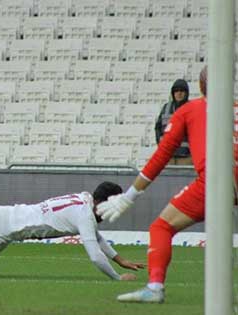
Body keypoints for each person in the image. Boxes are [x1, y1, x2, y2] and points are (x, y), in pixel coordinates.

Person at [96, 66, 235, 303]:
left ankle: (155, 287)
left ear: (200, 86)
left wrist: (129, 196)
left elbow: (162, 155)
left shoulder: (190, 110)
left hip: (217, 178)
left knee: (161, 227)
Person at [0, 183, 145, 280]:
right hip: (2, 228)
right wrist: (117, 277)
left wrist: (120, 259)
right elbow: (94, 254)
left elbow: (95, 234)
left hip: (8, 224)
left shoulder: (84, 201)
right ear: (101, 202)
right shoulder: (84, 214)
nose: (111, 213)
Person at [154, 79, 190, 164]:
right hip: (168, 156)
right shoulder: (166, 108)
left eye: (182, 90)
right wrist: (160, 145)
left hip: (186, 158)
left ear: (186, 93)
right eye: (176, 91)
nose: (179, 93)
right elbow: (158, 128)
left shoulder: (191, 108)